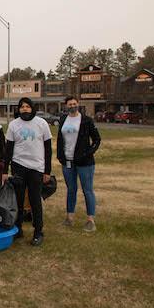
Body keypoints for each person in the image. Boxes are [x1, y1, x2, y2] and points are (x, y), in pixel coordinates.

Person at [3, 97, 53, 246]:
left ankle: (38, 231)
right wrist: (5, 170)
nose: (25, 109)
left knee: (35, 200)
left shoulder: (42, 123)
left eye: (27, 106)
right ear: (18, 109)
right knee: (18, 201)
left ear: (32, 108)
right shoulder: (13, 125)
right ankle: (17, 229)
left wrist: (47, 171)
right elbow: (8, 149)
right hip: (18, 166)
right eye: (22, 106)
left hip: (36, 168)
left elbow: (48, 149)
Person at [56, 96, 101, 232]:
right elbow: (59, 139)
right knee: (71, 190)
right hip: (68, 162)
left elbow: (97, 140)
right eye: (70, 104)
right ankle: (69, 218)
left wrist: (88, 153)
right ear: (66, 106)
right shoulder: (63, 119)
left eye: (74, 103)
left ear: (78, 104)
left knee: (87, 190)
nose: (72, 106)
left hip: (85, 163)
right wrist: (60, 156)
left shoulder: (86, 120)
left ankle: (90, 220)